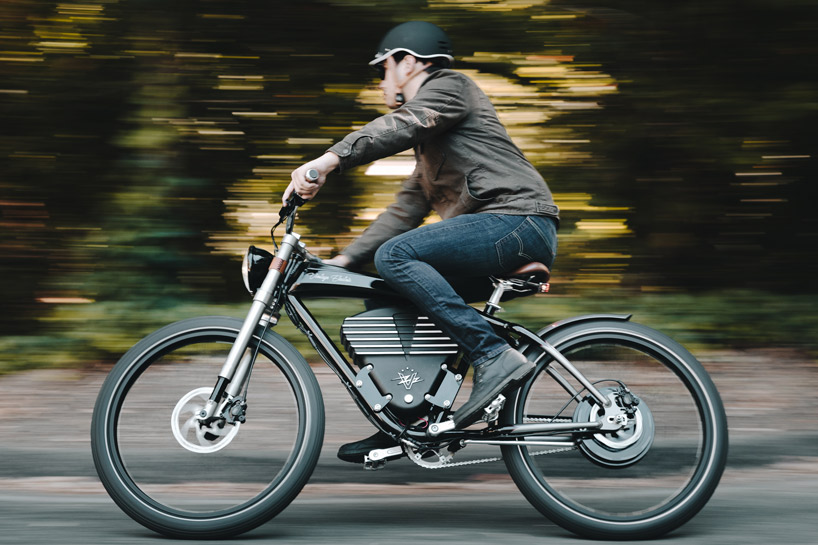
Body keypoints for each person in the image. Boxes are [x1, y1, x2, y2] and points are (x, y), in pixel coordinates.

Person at [283, 21, 559, 463]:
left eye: (382, 69)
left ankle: (492, 354)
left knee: (399, 255)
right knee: (387, 296)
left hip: (516, 221)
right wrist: (345, 260)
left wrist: (329, 160)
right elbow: (404, 209)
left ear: (408, 61)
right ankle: (409, 420)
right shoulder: (432, 148)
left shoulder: (450, 88)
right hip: (499, 230)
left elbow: (402, 124)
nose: (380, 81)